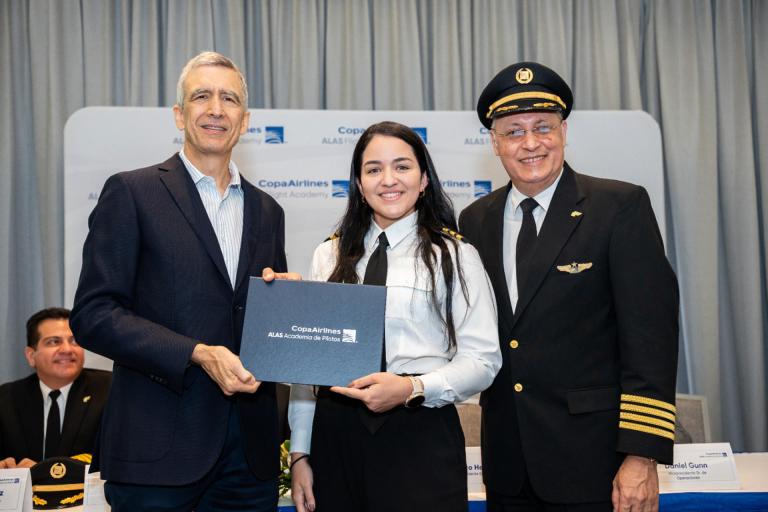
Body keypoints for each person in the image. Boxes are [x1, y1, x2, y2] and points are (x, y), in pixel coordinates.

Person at [71, 51, 296, 511]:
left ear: (245, 120)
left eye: (229, 99)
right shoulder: (132, 193)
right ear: (179, 114)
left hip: (249, 459)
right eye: (201, 96)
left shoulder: (268, 211)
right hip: (156, 453)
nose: (216, 109)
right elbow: (94, 315)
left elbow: (260, 325)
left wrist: (288, 305)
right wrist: (196, 352)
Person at [459, 61, 679, 511]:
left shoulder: (619, 207)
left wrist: (641, 456)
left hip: (596, 464)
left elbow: (651, 341)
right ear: (495, 143)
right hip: (507, 464)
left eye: (543, 127)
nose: (531, 143)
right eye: (514, 132)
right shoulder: (475, 220)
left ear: (563, 132)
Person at [288, 121, 502, 512]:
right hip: (336, 436)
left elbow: (483, 360)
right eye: (374, 169)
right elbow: (309, 366)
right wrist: (301, 453)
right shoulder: (328, 255)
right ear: (359, 183)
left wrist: (411, 388)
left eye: (402, 166)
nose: (389, 179)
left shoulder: (455, 255)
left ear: (424, 179)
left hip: (420, 431)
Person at [0, 308, 110, 469]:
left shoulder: (109, 390)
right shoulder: (6, 398)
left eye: (74, 341)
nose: (67, 349)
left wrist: (43, 470)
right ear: (31, 356)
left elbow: (118, 453)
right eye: (54, 342)